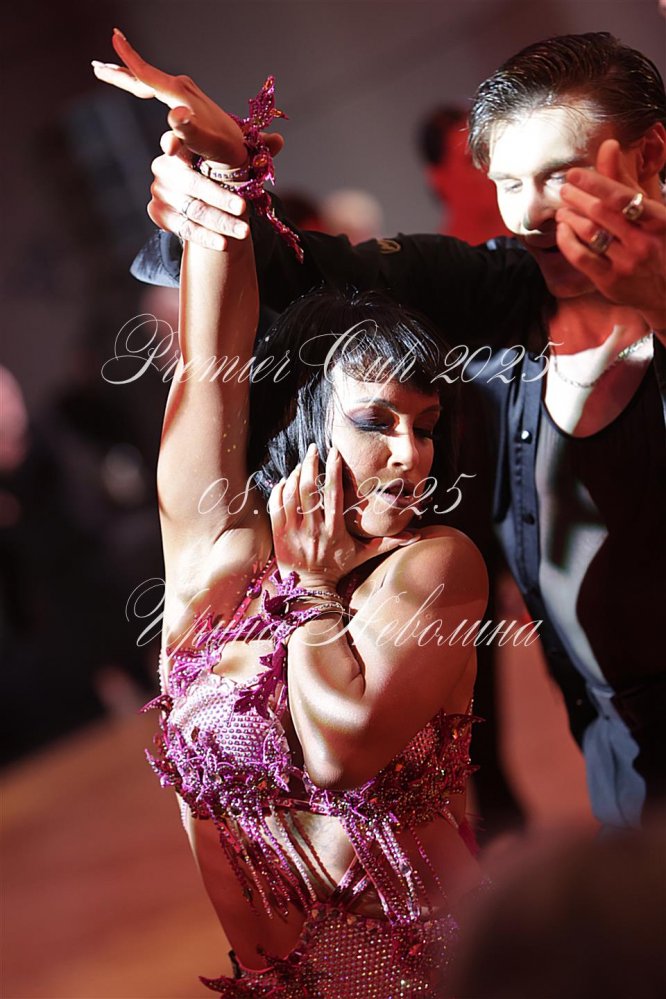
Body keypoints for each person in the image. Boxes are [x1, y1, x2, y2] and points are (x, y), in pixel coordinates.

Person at [122, 30, 666, 832]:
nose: (531, 212)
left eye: (559, 175)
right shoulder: (503, 291)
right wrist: (221, 177)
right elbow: (298, 273)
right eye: (509, 181)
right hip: (622, 766)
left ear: (650, 156)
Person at [95, 32, 489, 997]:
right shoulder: (217, 558)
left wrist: (311, 592)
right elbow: (209, 363)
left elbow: (341, 749)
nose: (410, 453)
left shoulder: (433, 566)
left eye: (425, 426)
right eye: (376, 422)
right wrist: (222, 170)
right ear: (309, 420)